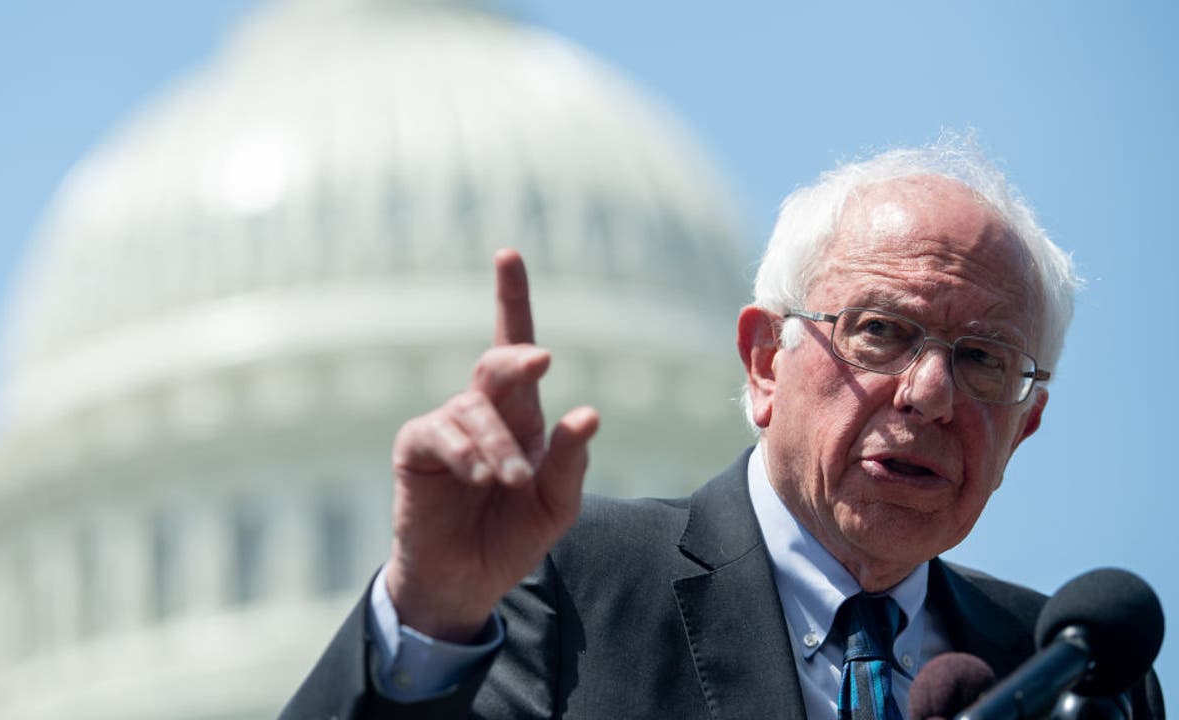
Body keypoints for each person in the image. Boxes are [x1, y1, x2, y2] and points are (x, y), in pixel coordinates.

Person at [280, 142, 1165, 719]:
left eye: (983, 360)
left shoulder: (1072, 667)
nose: (929, 393)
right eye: (881, 331)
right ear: (764, 361)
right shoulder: (569, 585)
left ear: (1025, 426)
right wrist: (430, 619)